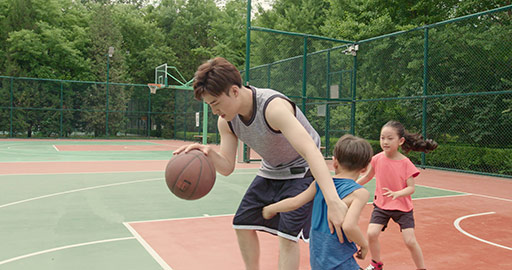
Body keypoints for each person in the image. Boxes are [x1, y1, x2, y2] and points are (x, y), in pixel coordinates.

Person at [173, 57, 348, 270]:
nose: (214, 111)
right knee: (242, 224)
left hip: (301, 169)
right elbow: (227, 167)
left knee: (287, 236)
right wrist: (208, 153)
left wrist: (333, 201)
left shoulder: (272, 108)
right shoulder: (227, 121)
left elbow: (311, 150)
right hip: (271, 170)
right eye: (210, 105)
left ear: (235, 91)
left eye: (215, 103)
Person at [263, 134, 374, 270]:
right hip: (341, 263)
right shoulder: (359, 193)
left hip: (318, 261)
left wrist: (270, 208)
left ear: (335, 162)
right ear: (364, 168)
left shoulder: (319, 184)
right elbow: (349, 226)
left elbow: (294, 202)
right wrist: (364, 244)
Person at [356, 120, 438, 270]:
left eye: (389, 138)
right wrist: (352, 186)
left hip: (403, 208)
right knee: (371, 233)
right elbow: (367, 177)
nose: (385, 142)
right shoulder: (377, 159)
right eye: (382, 138)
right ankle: (376, 264)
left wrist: (397, 193)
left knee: (410, 241)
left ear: (400, 141)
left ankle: (421, 268)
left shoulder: (405, 163)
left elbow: (411, 188)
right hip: (382, 205)